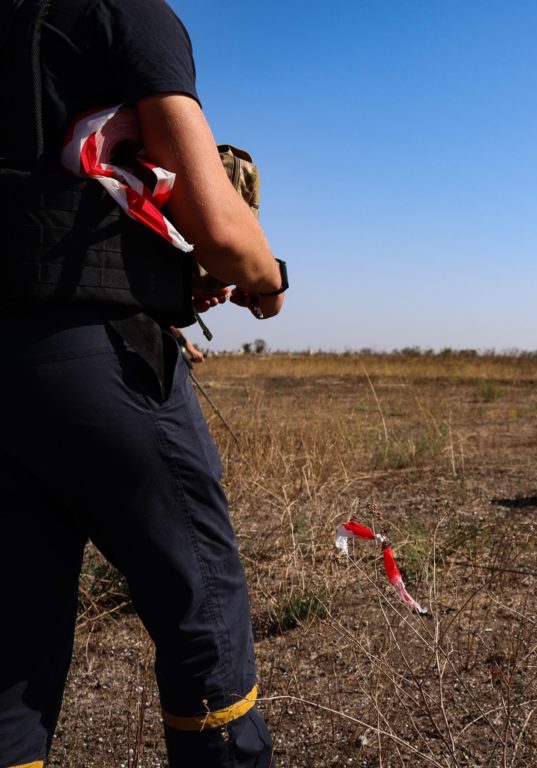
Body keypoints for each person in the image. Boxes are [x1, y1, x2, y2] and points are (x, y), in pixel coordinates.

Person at [0, 1, 285, 765]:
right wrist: (268, 276)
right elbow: (220, 228)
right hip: (95, 360)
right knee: (203, 606)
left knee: (14, 643)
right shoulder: (126, 13)